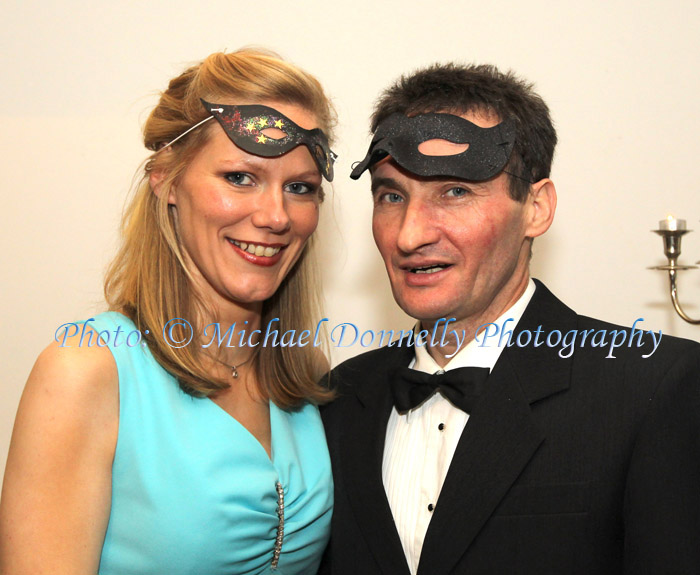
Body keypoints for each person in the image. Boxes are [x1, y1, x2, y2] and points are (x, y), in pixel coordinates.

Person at [320, 63, 700, 574]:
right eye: (391, 196)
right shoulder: (337, 400)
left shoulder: (654, 388)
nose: (408, 235)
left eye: (454, 191)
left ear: (537, 208)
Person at [0, 49, 337, 575]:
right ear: (166, 178)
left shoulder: (301, 370)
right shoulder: (87, 371)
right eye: (240, 178)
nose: (275, 216)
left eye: (299, 188)